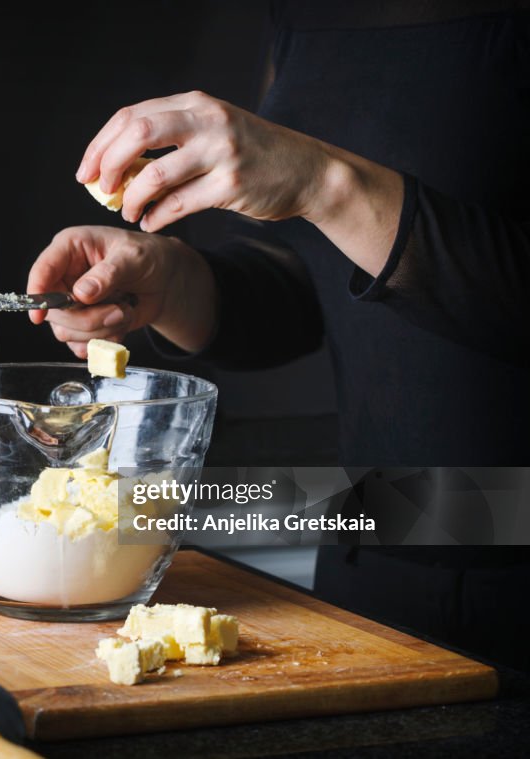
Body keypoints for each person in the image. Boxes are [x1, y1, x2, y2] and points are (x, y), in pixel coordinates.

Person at [26, 1, 529, 670]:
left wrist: (325, 180)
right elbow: (322, 282)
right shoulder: (304, 15)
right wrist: (176, 284)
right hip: (373, 552)